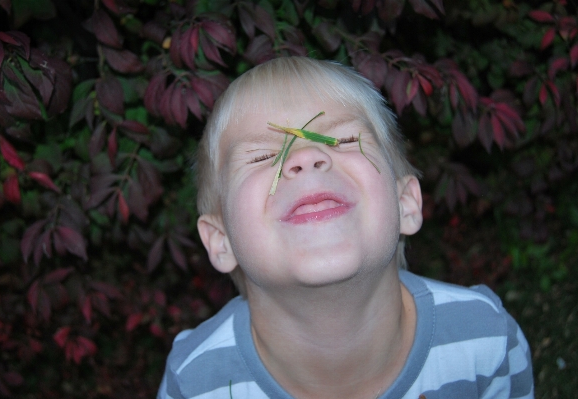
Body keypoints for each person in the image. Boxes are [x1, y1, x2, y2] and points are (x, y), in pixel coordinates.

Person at [157, 57, 534, 399]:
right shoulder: (193, 383)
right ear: (221, 241)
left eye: (344, 140)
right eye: (262, 156)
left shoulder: (486, 339)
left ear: (406, 203)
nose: (305, 156)